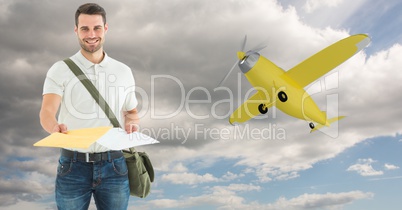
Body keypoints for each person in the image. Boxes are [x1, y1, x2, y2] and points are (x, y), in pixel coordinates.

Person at [39, 3, 139, 210]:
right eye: (84, 28)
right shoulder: (60, 69)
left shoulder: (123, 71)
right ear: (76, 30)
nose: (91, 34)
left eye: (97, 28)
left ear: (106, 28)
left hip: (114, 165)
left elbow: (131, 112)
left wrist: (132, 124)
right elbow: (47, 110)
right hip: (73, 166)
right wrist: (53, 127)